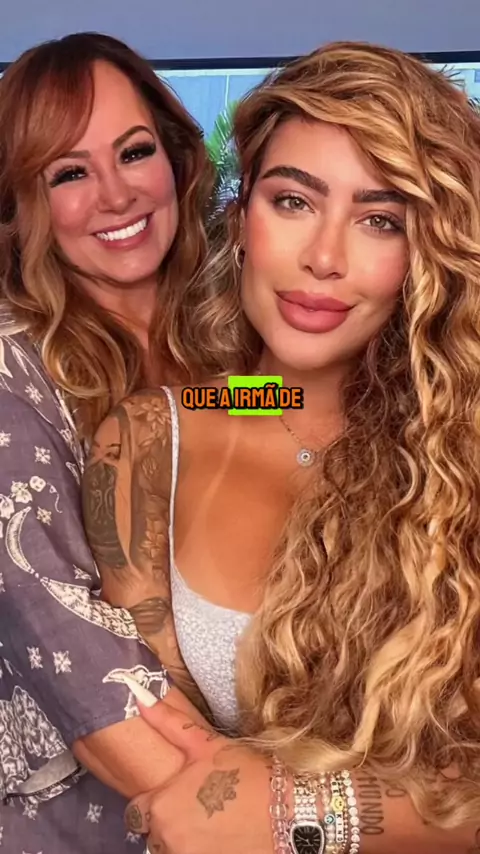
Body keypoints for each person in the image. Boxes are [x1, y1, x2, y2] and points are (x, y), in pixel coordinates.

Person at [84, 41, 480, 853]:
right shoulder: (151, 438)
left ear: (425, 254)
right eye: (293, 201)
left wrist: (296, 813)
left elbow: (234, 808)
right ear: (240, 223)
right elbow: (161, 754)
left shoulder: (461, 451)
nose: (323, 260)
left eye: (380, 220)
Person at [0, 31, 215, 854]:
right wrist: (291, 816)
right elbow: (80, 666)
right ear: (24, 202)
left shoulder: (233, 339)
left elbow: (296, 413)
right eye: (69, 173)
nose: (117, 195)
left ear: (175, 157)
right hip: (87, 824)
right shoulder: (14, 376)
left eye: (133, 152)